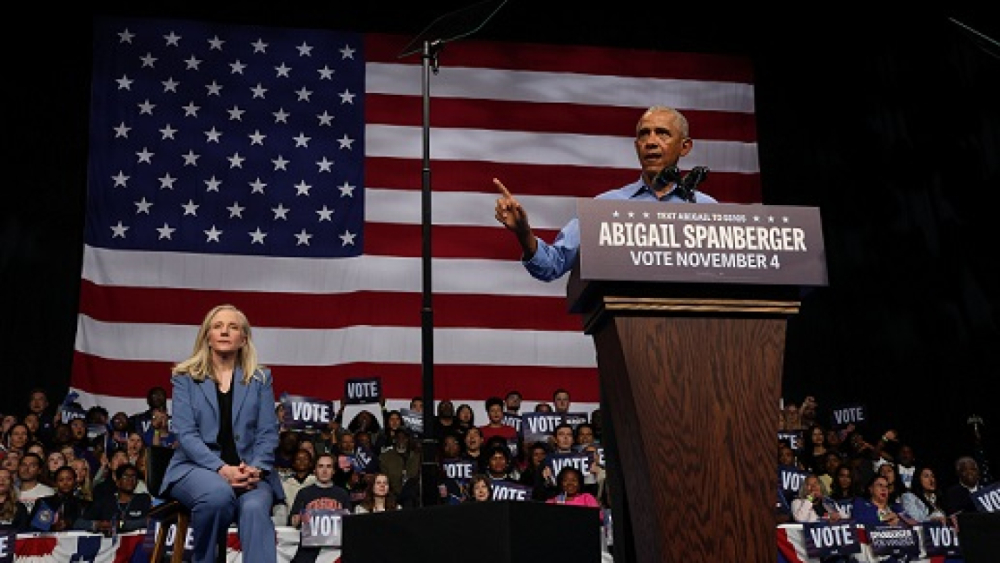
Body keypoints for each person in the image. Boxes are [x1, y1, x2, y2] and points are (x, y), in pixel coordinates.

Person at [493, 105, 716, 283]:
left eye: (662, 134)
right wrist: (524, 233)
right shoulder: (605, 208)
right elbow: (552, 265)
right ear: (636, 145)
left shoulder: (708, 210)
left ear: (684, 147)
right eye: (644, 134)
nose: (651, 142)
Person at [159, 304, 283, 563]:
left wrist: (257, 468)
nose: (225, 332)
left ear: (243, 338)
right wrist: (221, 469)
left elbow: (268, 433)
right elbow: (186, 434)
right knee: (218, 495)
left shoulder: (261, 378)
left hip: (249, 472)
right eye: (217, 326)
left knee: (254, 506)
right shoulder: (185, 377)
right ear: (207, 336)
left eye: (233, 327)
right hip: (196, 469)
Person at [77, 462, 152, 535]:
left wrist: (120, 524)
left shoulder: (143, 499)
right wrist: (98, 525)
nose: (130, 479)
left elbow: (148, 521)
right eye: (125, 476)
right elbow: (79, 523)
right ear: (117, 481)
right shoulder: (105, 501)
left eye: (133, 476)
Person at [0, 467, 29, 532]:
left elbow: (23, 535)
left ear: (11, 483)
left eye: (6, 478)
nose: (1, 480)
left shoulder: (19, 507)